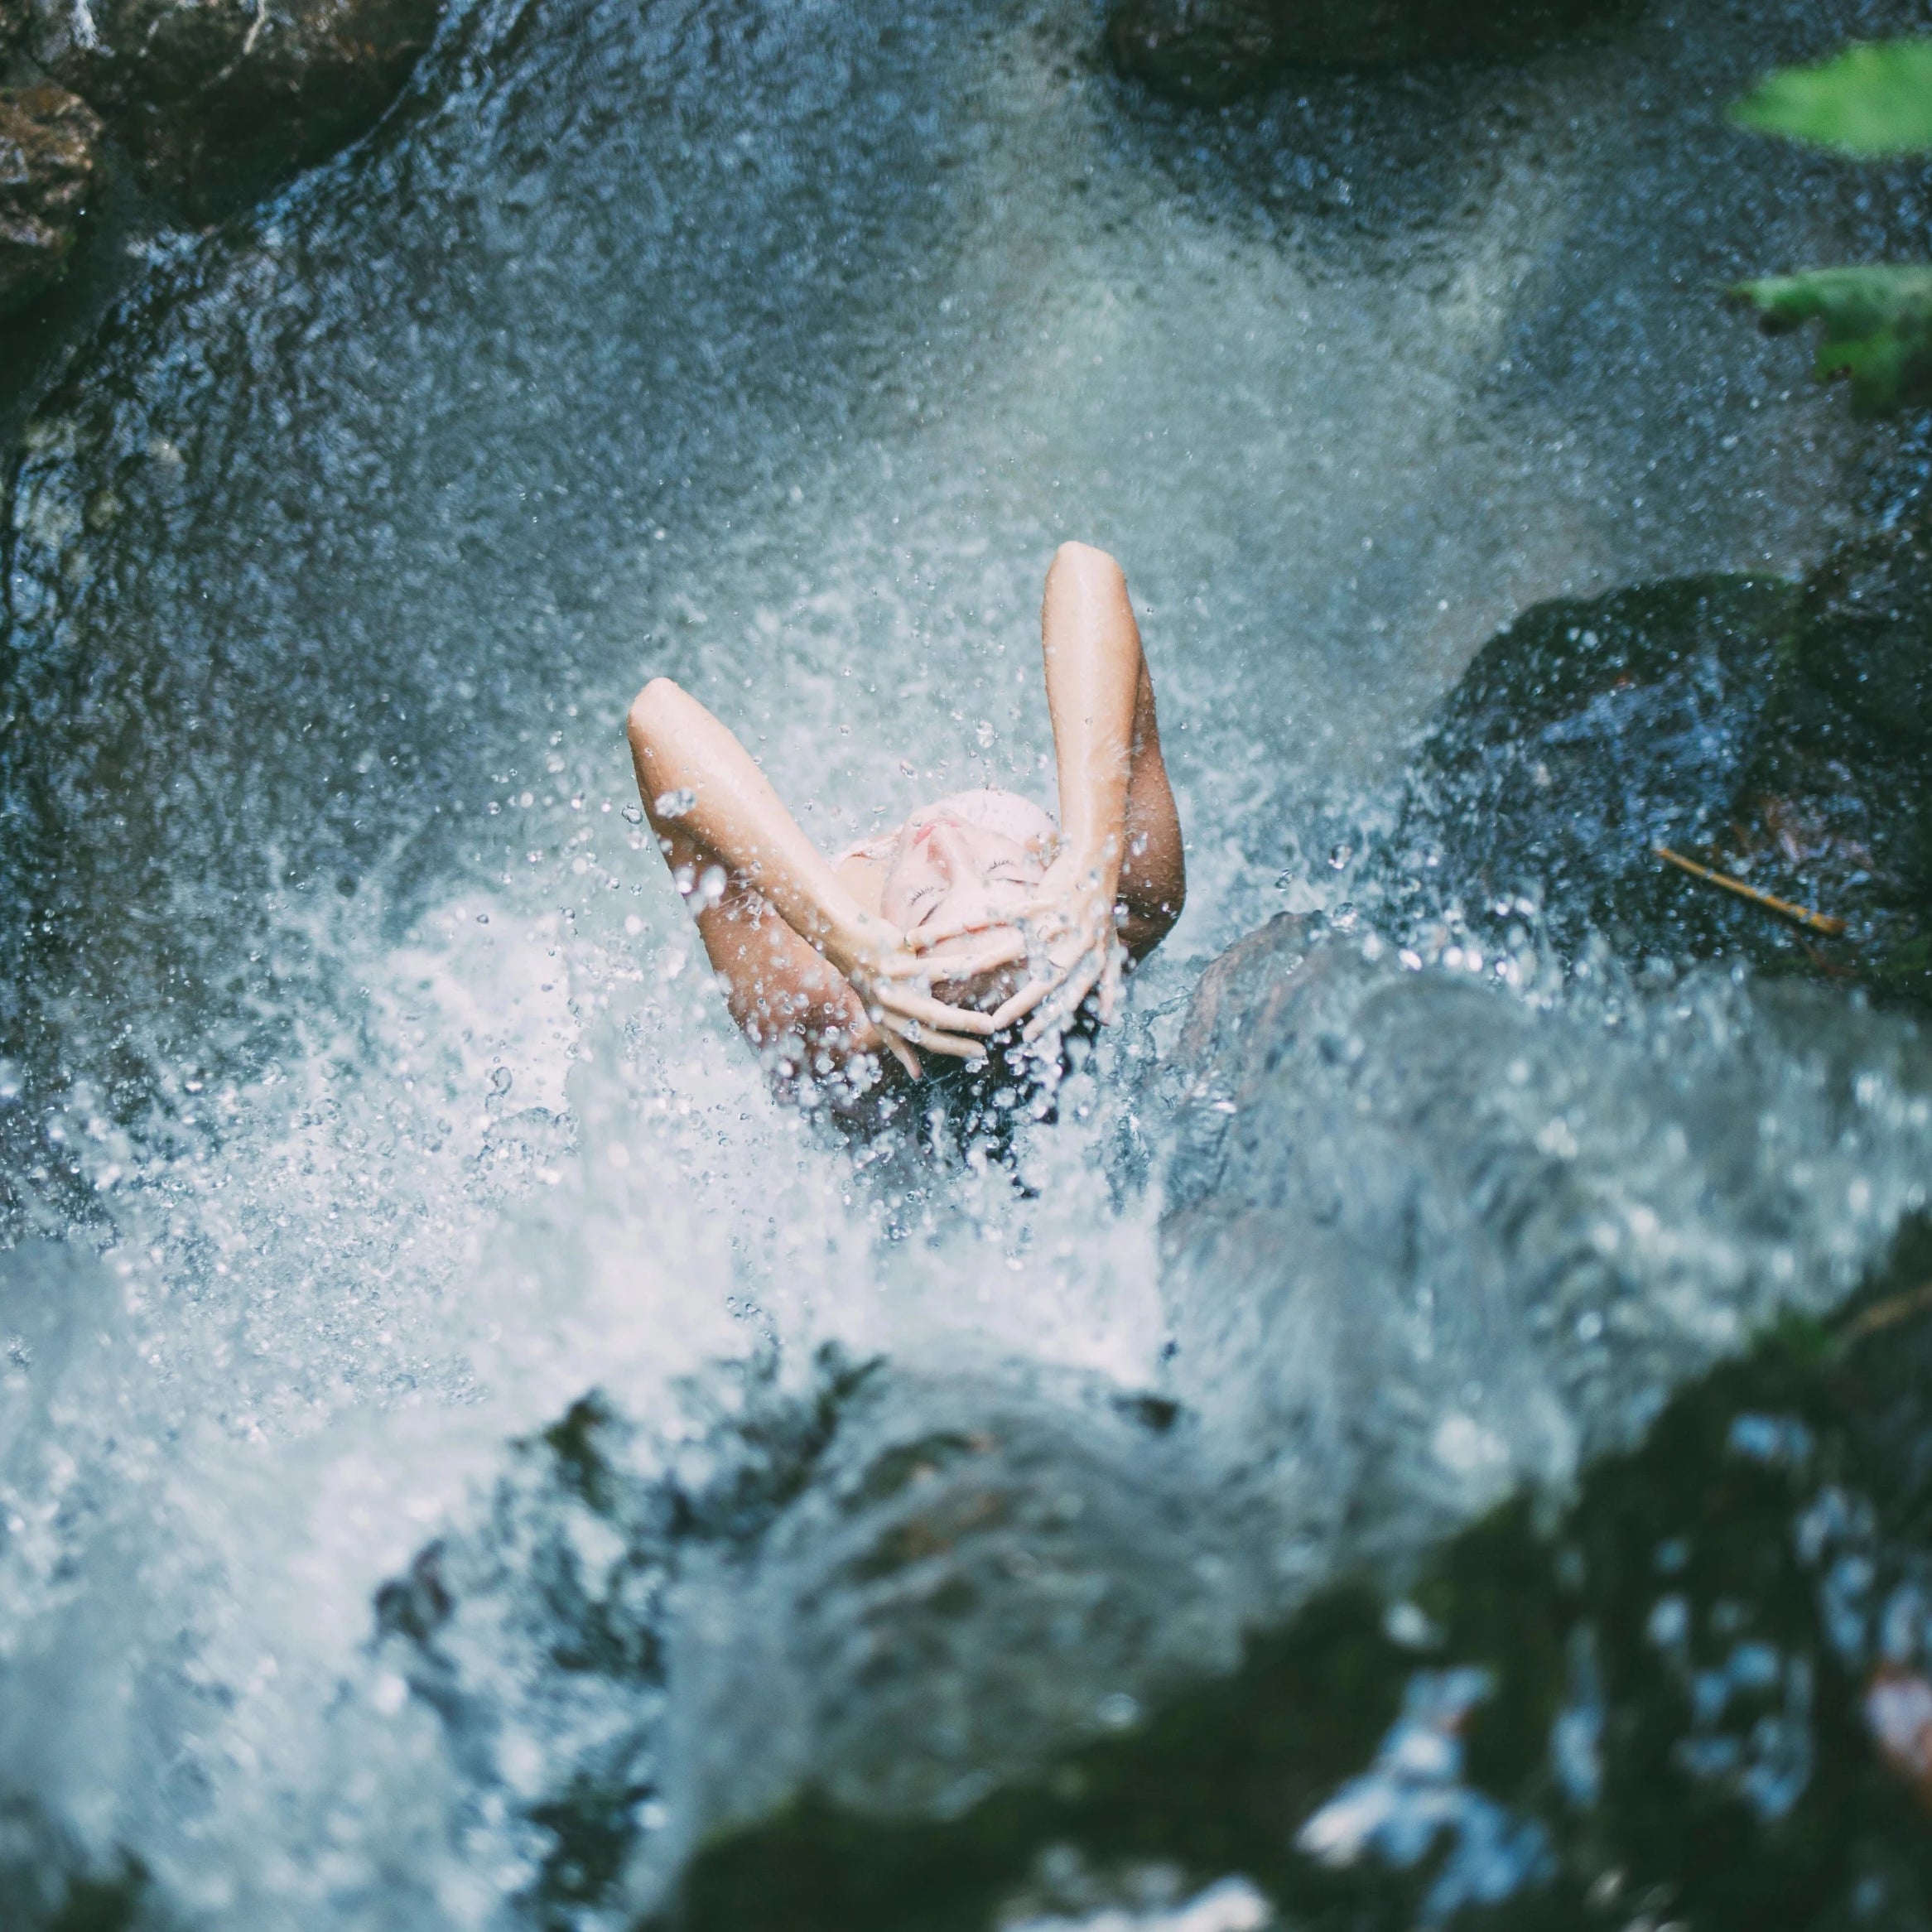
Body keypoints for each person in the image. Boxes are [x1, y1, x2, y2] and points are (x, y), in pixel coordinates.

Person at [625, 541, 1184, 1106]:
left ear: (883, 979)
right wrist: (1090, 854)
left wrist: (841, 937)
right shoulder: (1120, 911)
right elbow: (1084, 568)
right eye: (1002, 873)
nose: (945, 841)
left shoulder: (825, 1018)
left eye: (926, 901)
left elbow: (656, 716)